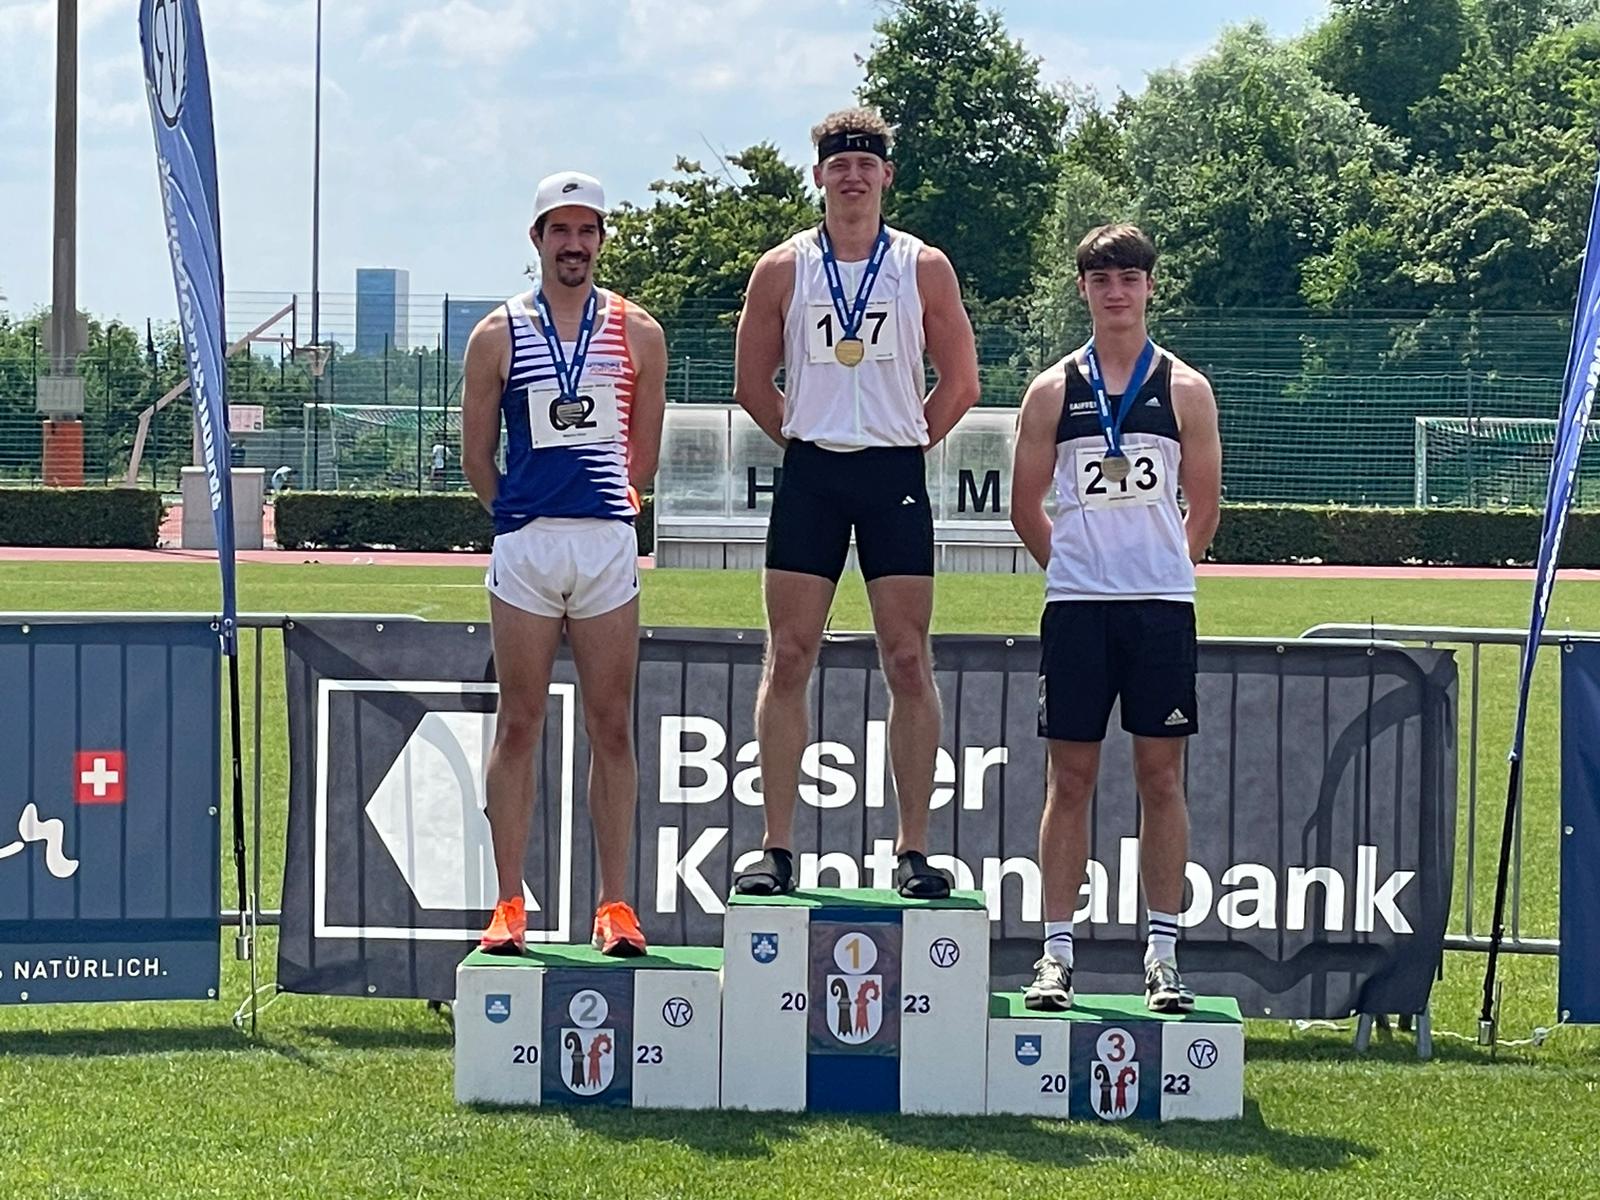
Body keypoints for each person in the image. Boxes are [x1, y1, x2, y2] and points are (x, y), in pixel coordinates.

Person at [731, 107, 980, 898]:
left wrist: (905, 439)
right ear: (819, 176)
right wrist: (810, 434)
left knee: (907, 658)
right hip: (812, 473)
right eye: (839, 163)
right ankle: (775, 848)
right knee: (790, 655)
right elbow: (751, 382)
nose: (853, 176)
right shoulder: (783, 268)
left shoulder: (922, 266)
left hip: (892, 475)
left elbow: (963, 381)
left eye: (867, 163)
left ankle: (913, 851)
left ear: (886, 176)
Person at [1009, 223, 1222, 1013]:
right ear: (1084, 290)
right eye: (1101, 279)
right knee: (1070, 780)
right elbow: (1024, 505)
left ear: (1149, 287)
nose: (1116, 292)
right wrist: (1073, 567)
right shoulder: (1052, 391)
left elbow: (1205, 506)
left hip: (1160, 609)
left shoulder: (1186, 389)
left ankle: (1163, 954)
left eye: (1129, 278)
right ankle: (1056, 955)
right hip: (1078, 609)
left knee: (1161, 779)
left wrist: (1165, 568)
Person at [461, 170, 667, 956]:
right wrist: (518, 514)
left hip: (606, 542)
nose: (573, 244)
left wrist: (606, 505)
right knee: (519, 722)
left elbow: (643, 455)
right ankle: (508, 904)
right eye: (560, 230)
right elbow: (477, 456)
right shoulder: (498, 334)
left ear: (602, 239)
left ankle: (615, 907)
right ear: (538, 239)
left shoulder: (639, 332)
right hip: (527, 545)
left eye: (586, 230)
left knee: (611, 725)